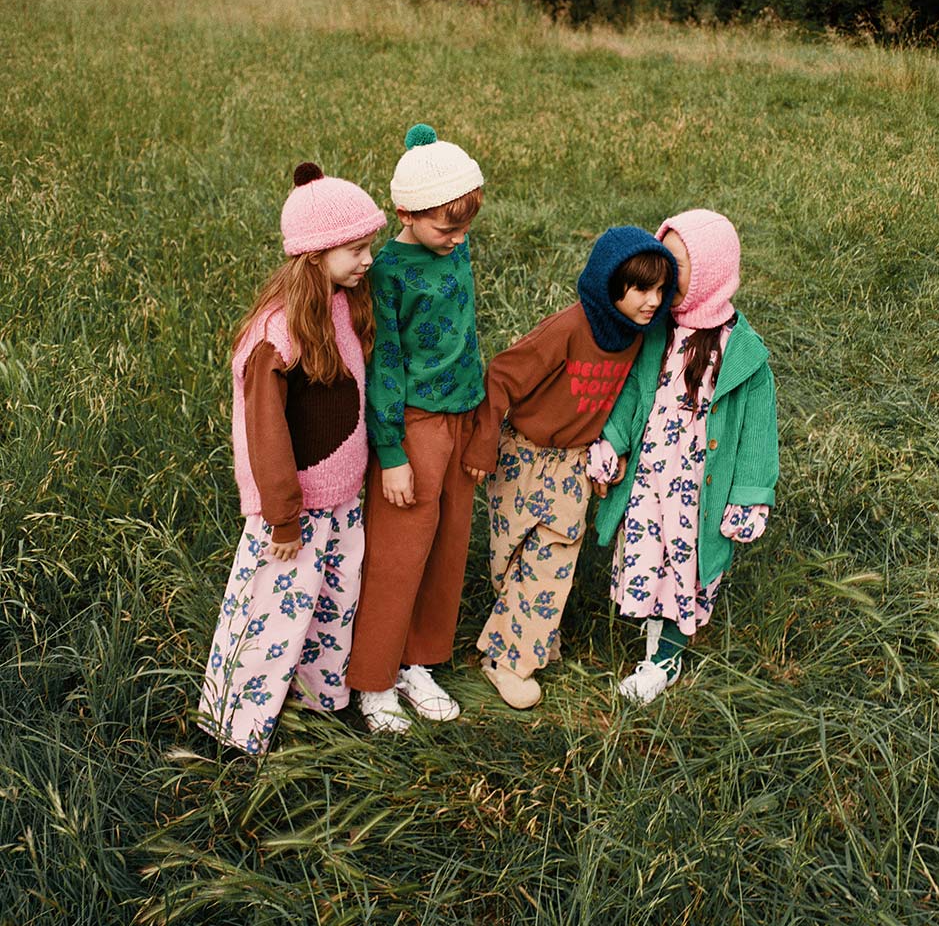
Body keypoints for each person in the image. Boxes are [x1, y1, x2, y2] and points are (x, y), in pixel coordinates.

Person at [198, 162, 386, 754]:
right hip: (294, 510)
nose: (368, 261)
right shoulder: (275, 333)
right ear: (315, 254)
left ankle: (317, 704)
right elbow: (264, 433)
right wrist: (281, 513)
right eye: (355, 249)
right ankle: (233, 728)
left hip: (340, 501)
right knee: (270, 616)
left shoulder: (339, 304)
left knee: (333, 602)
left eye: (369, 247)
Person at [462, 226, 678, 709]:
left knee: (552, 557)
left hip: (572, 463)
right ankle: (528, 633)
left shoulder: (638, 338)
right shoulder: (568, 329)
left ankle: (509, 659)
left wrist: (610, 450)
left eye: (661, 290)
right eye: (642, 288)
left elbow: (624, 401)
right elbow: (501, 374)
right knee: (510, 556)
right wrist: (482, 443)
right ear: (609, 284)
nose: (652, 301)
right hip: (521, 452)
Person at [591, 209, 778, 704]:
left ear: (711, 272)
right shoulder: (658, 331)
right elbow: (634, 392)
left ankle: (664, 658)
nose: (665, 275)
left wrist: (750, 494)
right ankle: (655, 641)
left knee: (687, 564)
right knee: (650, 558)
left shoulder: (744, 352)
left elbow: (759, 433)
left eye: (676, 263)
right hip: (652, 475)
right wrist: (612, 440)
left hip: (698, 486)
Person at [344, 124, 486, 732]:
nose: (456, 240)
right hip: (417, 424)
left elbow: (470, 335)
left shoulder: (458, 249)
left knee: (449, 545)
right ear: (406, 211)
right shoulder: (391, 271)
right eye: (444, 228)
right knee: (400, 552)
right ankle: (374, 680)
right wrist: (392, 450)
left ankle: (419, 661)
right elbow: (386, 364)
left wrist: (481, 422)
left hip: (462, 418)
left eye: (464, 228)